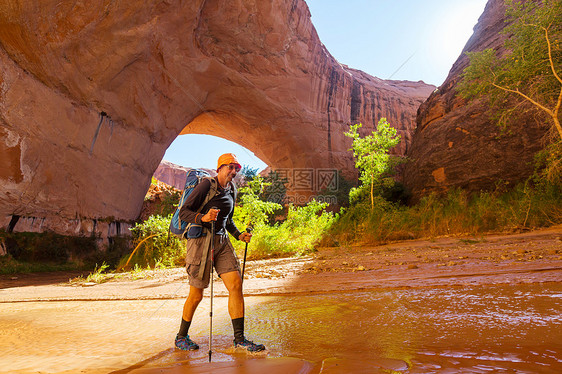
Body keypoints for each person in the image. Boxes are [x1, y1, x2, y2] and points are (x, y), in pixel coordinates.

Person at [174, 153, 265, 352]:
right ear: (220, 168)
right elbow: (184, 212)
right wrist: (204, 217)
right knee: (196, 294)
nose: (234, 172)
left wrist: (239, 235)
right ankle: (181, 337)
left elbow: (228, 219)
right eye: (230, 167)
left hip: (222, 241)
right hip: (200, 242)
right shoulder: (206, 185)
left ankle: (239, 339)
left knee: (235, 284)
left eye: (236, 168)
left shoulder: (232, 189)